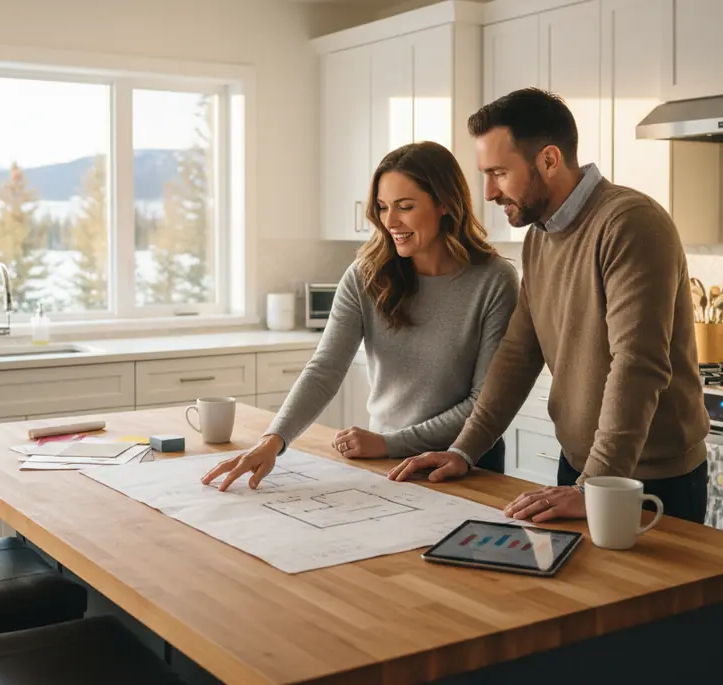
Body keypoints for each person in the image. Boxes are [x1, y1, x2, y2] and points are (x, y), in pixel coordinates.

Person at [387, 88, 711, 525]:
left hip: (643, 481)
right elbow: (519, 352)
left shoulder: (630, 223)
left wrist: (596, 487)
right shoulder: (539, 237)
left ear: (549, 160)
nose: (489, 192)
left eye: (499, 173)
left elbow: (638, 364)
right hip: (580, 471)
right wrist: (464, 450)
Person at [201, 140, 519, 491]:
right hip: (387, 463)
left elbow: (483, 402)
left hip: (467, 464)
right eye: (382, 207)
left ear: (445, 203)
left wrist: (389, 443)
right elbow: (325, 369)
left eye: (405, 206)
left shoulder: (494, 281)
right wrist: (273, 440)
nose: (390, 221)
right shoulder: (366, 275)